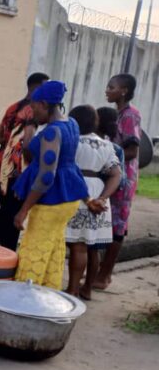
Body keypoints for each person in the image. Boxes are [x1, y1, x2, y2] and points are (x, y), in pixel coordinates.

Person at [12, 81, 88, 290]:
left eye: (35, 106)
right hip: (67, 198)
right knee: (53, 249)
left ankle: (24, 299)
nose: (32, 111)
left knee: (33, 252)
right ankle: (48, 295)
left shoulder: (52, 132)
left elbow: (46, 176)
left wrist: (23, 210)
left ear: (45, 104)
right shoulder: (71, 123)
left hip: (51, 201)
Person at [0, 72, 49, 250]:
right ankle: (4, 259)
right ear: (36, 88)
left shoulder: (12, 107)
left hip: (3, 171)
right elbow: (28, 147)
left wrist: (9, 147)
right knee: (12, 219)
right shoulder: (33, 111)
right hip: (19, 172)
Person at [65, 105, 121, 300]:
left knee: (78, 245)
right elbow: (116, 174)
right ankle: (86, 288)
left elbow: (68, 171)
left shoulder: (72, 142)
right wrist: (102, 198)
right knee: (93, 246)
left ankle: (71, 290)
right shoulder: (107, 145)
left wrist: (88, 199)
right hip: (98, 191)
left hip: (77, 191)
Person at [93, 74, 142, 291]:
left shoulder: (131, 115)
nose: (107, 90)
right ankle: (99, 273)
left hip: (123, 178)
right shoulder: (117, 114)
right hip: (113, 174)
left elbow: (132, 149)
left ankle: (104, 276)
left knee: (117, 228)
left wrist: (106, 152)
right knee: (107, 224)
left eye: (111, 87)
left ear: (123, 91)